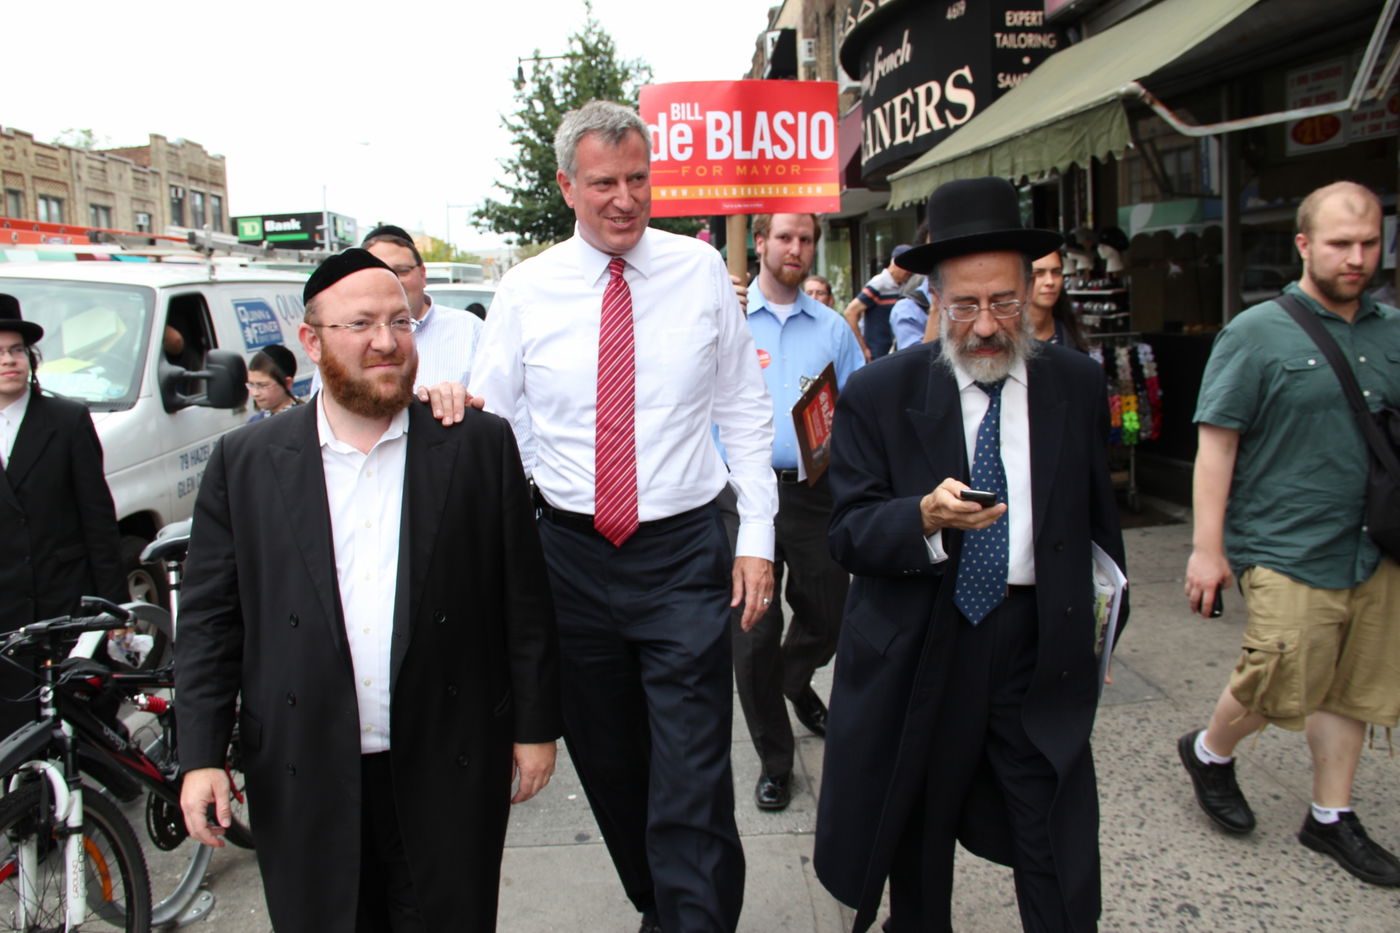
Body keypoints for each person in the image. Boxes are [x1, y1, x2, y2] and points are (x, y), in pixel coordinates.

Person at [175, 249, 561, 932]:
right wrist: (201, 754)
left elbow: (522, 602)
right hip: (303, 768)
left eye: (400, 321)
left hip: (447, 763)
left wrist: (534, 727)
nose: (386, 341)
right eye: (361, 324)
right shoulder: (247, 465)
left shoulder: (475, 445)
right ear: (312, 340)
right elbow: (210, 620)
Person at [470, 100, 777, 933]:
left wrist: (755, 539)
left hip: (683, 553)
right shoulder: (526, 289)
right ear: (567, 185)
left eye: (639, 179)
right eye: (604, 182)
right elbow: (493, 425)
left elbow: (745, 410)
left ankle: (694, 916)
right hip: (568, 558)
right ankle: (665, 901)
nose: (625, 199)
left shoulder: (700, 271)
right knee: (610, 764)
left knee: (691, 769)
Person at [814, 175, 1127, 933]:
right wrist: (920, 516)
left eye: (1004, 303)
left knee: (1054, 838)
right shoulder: (880, 393)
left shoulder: (1077, 385)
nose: (986, 326)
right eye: (964, 305)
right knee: (918, 846)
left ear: (1031, 293)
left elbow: (1099, 527)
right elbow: (848, 529)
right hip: (929, 642)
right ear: (935, 296)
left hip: (1034, 644)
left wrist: (1101, 631)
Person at [1179, 180, 1400, 887]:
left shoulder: (1392, 330)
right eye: (1340, 244)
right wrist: (1207, 549)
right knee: (1278, 678)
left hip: (1375, 544)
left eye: (1368, 242)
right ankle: (1211, 750)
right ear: (1304, 244)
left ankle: (1330, 816)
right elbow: (1217, 445)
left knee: (1352, 688)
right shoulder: (1255, 332)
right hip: (1283, 543)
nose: (1357, 257)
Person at [730, 213, 863, 812]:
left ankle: (793, 678)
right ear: (760, 244)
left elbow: (857, 409)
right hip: (741, 494)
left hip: (814, 491)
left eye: (806, 239)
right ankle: (776, 762)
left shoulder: (833, 329)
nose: (796, 248)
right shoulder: (726, 317)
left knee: (829, 611)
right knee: (752, 635)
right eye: (784, 237)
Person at [0, 294, 125, 736]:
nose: (9, 361)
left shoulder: (66, 419)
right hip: (5, 614)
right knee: (15, 733)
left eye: (16, 351)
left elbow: (98, 519)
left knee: (79, 721)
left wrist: (114, 608)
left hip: (62, 603)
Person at [309, 224, 482, 395]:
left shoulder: (470, 329)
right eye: (360, 324)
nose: (391, 280)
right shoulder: (337, 341)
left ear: (422, 274)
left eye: (401, 271)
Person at [843, 245, 912, 361]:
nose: (909, 271)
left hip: (894, 352)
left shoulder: (904, 285)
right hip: (877, 354)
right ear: (895, 263)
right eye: (907, 265)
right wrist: (862, 348)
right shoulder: (879, 284)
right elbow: (850, 312)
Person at [1027, 249, 1089, 351]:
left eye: (1056, 272)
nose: (1050, 282)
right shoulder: (1004, 339)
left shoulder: (1073, 334)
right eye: (1038, 273)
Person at [245, 344, 302, 422]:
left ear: (287, 383)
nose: (255, 393)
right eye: (251, 385)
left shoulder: (303, 419)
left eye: (262, 385)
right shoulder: (254, 422)